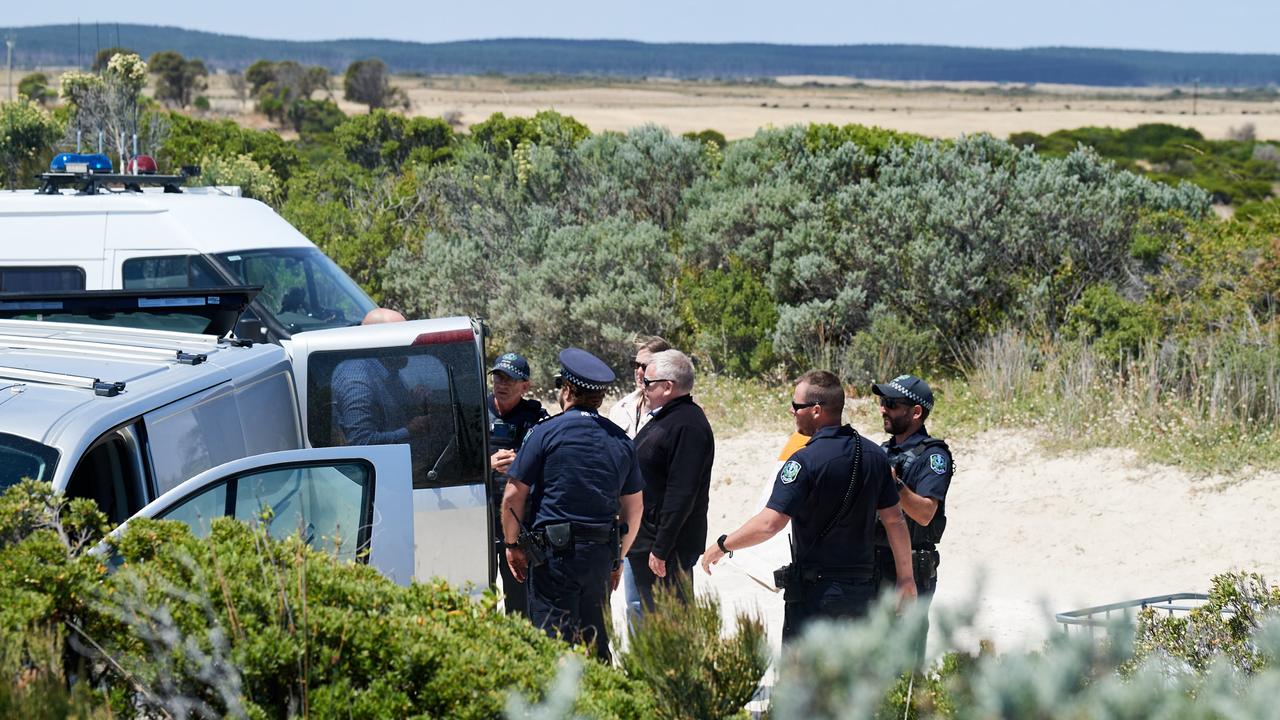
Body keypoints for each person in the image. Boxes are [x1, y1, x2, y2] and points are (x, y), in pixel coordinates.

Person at [701, 370, 916, 641]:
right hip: (862, 592)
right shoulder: (874, 455)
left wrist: (722, 545)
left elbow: (770, 524)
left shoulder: (804, 461)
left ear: (816, 410)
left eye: (796, 406)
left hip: (817, 594)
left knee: (801, 681)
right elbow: (895, 520)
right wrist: (906, 578)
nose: (792, 411)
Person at [502, 348, 644, 662]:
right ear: (600, 397)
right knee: (595, 641)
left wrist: (512, 544)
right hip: (598, 556)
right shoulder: (621, 441)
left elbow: (513, 495)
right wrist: (618, 559)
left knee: (553, 646)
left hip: (554, 557)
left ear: (566, 390)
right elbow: (634, 509)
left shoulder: (544, 433)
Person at [625, 349, 715, 625]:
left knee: (671, 625)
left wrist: (661, 548)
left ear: (668, 387)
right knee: (650, 621)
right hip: (648, 540)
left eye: (648, 384)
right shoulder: (668, 417)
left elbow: (682, 493)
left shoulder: (687, 425)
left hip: (665, 548)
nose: (644, 389)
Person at [871, 374, 952, 652]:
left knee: (906, 654)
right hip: (874, 563)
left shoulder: (933, 456)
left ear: (916, 412)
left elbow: (925, 513)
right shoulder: (882, 451)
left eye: (891, 403)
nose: (883, 409)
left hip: (912, 567)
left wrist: (894, 484)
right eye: (882, 402)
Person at [487, 351, 549, 616]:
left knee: (519, 592)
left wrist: (523, 464)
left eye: (509, 379)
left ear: (525, 386)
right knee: (480, 588)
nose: (502, 384)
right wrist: (486, 464)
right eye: (498, 377)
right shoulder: (476, 410)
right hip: (482, 515)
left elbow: (550, 460)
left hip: (520, 518)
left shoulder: (536, 417)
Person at [331, 308, 430, 446]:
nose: (408, 344)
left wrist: (413, 401)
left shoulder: (388, 370)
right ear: (376, 341)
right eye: (401, 337)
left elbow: (390, 414)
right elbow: (361, 442)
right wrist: (409, 432)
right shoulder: (357, 378)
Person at [608, 336, 671, 438]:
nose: (639, 372)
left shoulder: (678, 414)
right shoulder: (620, 409)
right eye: (636, 365)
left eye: (646, 367)